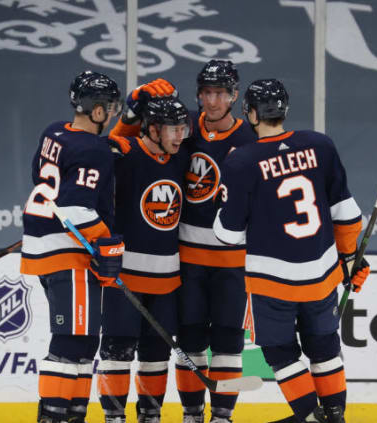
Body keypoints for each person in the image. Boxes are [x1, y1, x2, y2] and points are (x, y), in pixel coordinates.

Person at [212, 79, 370, 423]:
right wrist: (348, 258)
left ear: (251, 114)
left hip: (272, 282)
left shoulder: (242, 161)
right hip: (320, 276)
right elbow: (347, 214)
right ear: (284, 110)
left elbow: (228, 235)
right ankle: (334, 416)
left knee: (281, 352)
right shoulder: (320, 145)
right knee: (324, 345)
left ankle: (310, 416)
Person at [21, 70, 126, 423]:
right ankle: (52, 418)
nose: (111, 114)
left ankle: (71, 417)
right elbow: (74, 207)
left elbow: (42, 178)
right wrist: (105, 242)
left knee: (84, 343)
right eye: (108, 108)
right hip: (69, 254)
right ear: (96, 110)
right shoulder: (93, 150)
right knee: (69, 342)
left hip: (45, 247)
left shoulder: (54, 131)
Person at [97, 84, 191, 423]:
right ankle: (114, 417)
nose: (180, 135)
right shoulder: (125, 152)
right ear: (152, 129)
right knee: (117, 352)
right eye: (173, 128)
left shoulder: (180, 156)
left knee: (156, 356)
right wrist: (128, 116)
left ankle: (150, 416)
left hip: (167, 282)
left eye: (183, 128)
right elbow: (97, 151)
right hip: (125, 278)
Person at [175, 59, 256, 423]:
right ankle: (192, 413)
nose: (212, 101)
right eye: (207, 93)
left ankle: (222, 415)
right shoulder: (183, 128)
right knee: (189, 340)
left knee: (228, 344)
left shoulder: (250, 139)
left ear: (234, 96)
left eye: (220, 93)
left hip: (232, 262)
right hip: (187, 260)